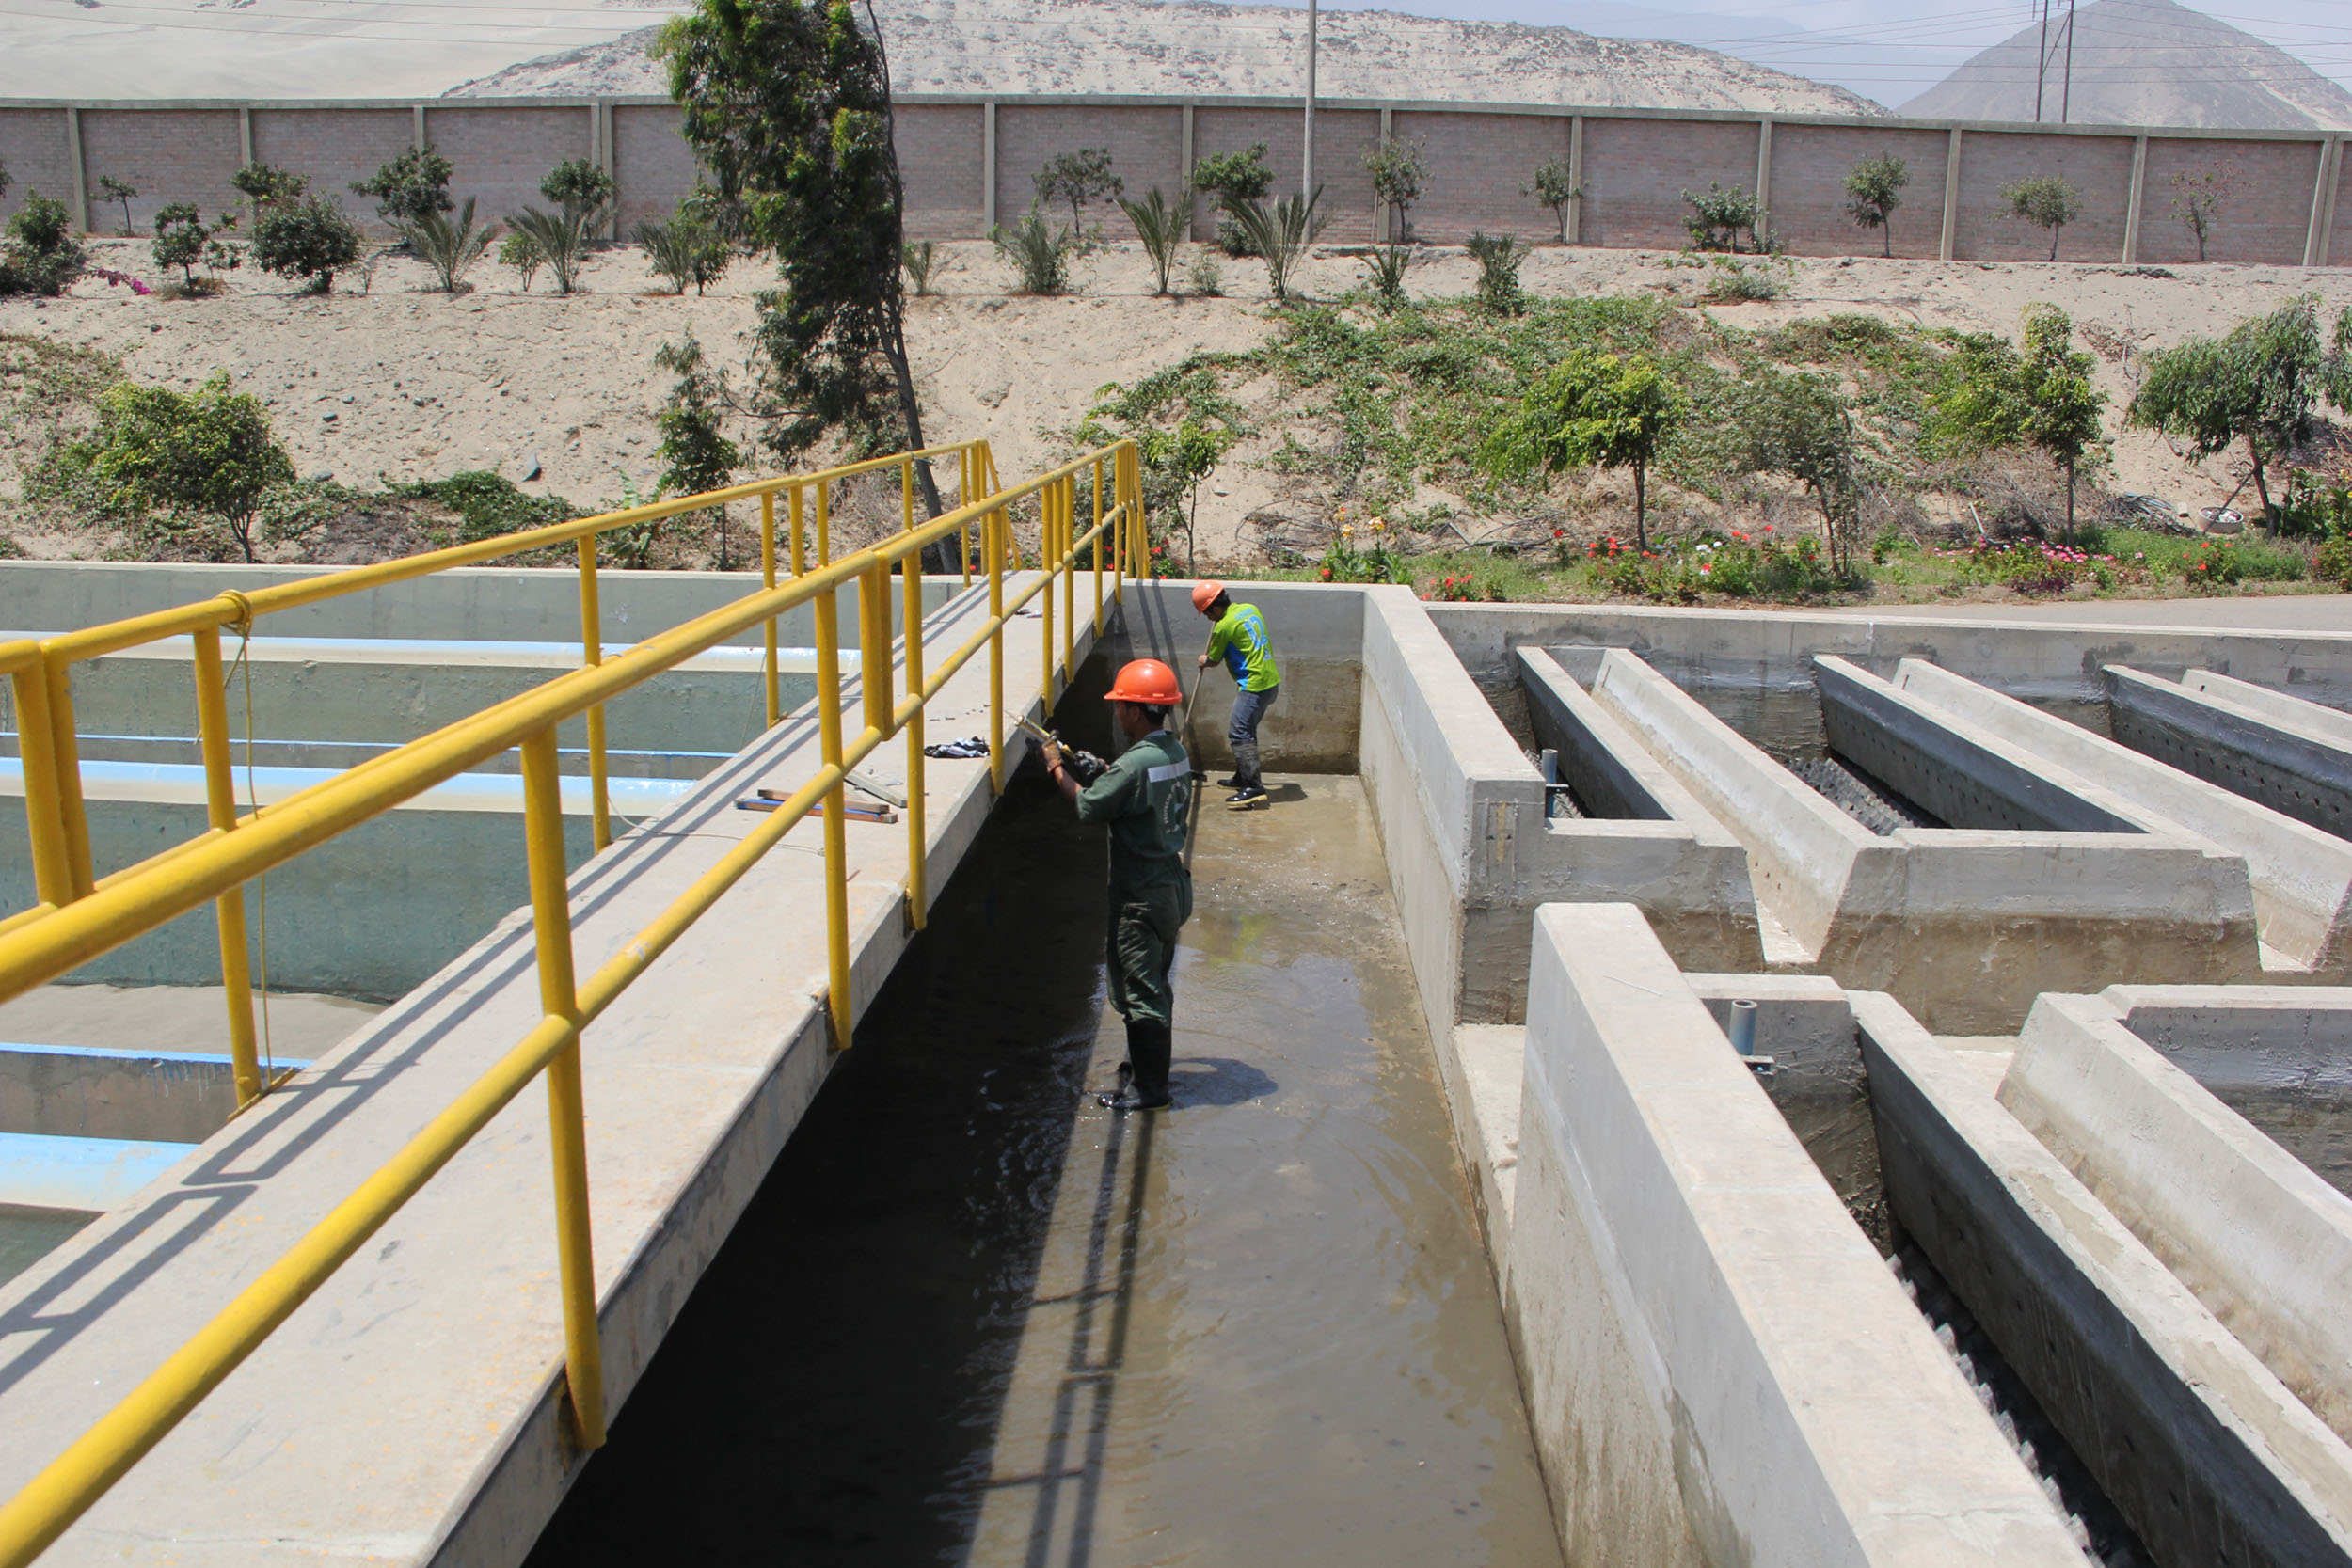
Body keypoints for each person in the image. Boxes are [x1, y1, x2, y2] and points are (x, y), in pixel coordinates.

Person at [1038, 657, 1194, 1113]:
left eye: (1121, 706)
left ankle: (1151, 1091)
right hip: (1171, 885)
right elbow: (1136, 784)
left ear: (1137, 711)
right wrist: (1104, 766)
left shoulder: (1134, 765)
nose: (1117, 713)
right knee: (1155, 981)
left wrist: (1055, 767)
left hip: (1140, 894)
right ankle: (1144, 1066)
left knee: (1141, 993)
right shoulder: (1173, 752)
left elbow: (1088, 807)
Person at [1191, 580, 1280, 809]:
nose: (1209, 619)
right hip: (1270, 682)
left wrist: (1203, 660)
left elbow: (1213, 660)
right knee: (1247, 730)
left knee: (1239, 732)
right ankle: (1242, 777)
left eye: (1208, 614)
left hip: (1254, 686)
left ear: (1215, 608)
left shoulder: (1223, 627)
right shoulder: (1250, 609)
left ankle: (1253, 787)